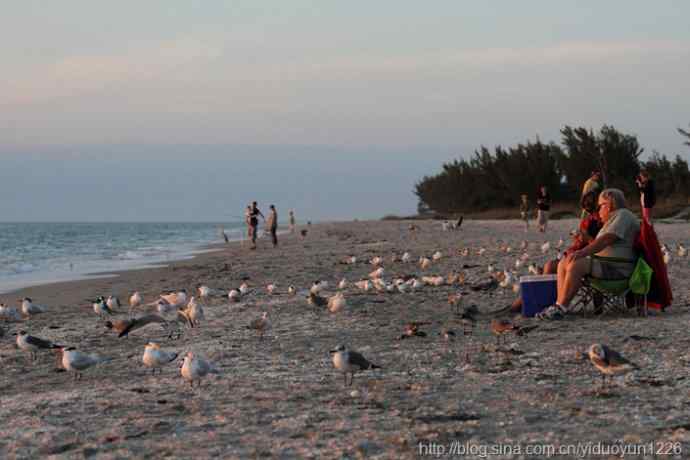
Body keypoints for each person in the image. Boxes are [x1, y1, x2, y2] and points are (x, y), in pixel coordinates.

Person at [537, 188, 639, 320]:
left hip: (617, 269)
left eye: (600, 205)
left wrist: (582, 252)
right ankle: (559, 305)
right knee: (564, 262)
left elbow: (607, 239)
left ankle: (561, 307)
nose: (598, 209)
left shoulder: (623, 215)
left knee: (577, 265)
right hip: (606, 266)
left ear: (609, 204)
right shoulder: (613, 219)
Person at [510, 191, 602, 312]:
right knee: (548, 267)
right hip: (579, 255)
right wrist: (577, 241)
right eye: (585, 205)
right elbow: (580, 244)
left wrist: (585, 238)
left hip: (588, 259)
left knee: (549, 268)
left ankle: (534, 305)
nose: (588, 208)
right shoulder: (589, 220)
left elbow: (600, 245)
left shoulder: (603, 221)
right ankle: (530, 304)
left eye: (590, 205)